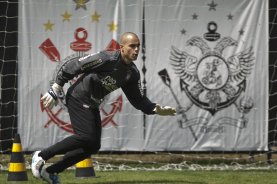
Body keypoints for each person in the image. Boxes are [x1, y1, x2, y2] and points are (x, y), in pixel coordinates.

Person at [32, 32, 176, 184]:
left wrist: (155, 109)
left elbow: (138, 100)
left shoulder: (132, 73)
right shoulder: (107, 58)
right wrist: (57, 85)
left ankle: (50, 171)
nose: (136, 50)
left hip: (92, 103)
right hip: (78, 96)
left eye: (138, 46)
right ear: (122, 47)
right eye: (132, 46)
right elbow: (74, 65)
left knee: (93, 146)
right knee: (85, 136)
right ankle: (41, 155)